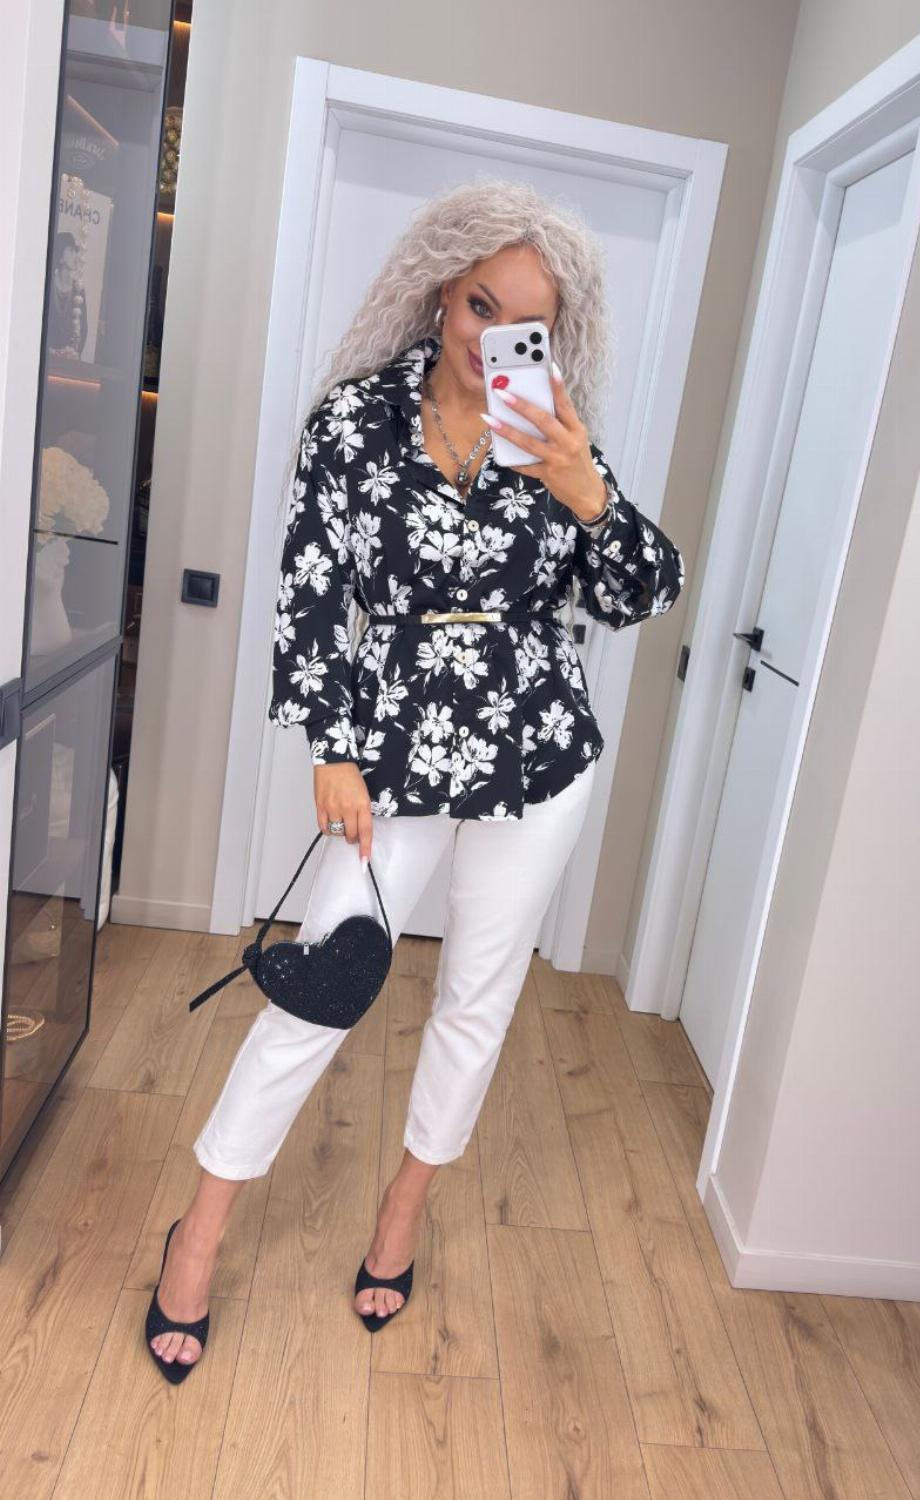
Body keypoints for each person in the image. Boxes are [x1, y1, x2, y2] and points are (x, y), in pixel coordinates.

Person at [145, 178, 685, 1378]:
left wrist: (586, 491)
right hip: (389, 755)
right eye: (481, 304)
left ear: (555, 333)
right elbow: (309, 597)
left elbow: (643, 591)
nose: (494, 337)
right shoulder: (354, 421)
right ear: (442, 288)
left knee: (477, 999)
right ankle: (200, 1231)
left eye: (526, 322)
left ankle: (403, 1211)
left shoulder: (554, 434)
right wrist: (331, 748)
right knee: (321, 989)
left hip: (537, 758)